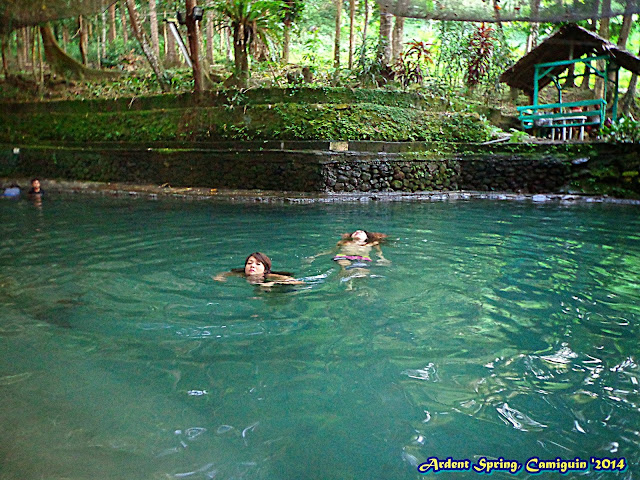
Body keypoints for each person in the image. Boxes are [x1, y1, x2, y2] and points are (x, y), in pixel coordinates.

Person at [308, 230, 390, 270]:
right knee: (345, 269)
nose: (358, 232)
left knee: (362, 273)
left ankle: (359, 290)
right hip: (344, 256)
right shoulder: (343, 242)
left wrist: (382, 259)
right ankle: (348, 287)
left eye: (361, 232)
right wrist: (314, 256)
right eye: (355, 232)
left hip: (362, 258)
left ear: (367, 237)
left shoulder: (372, 243)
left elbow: (379, 252)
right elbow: (331, 251)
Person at [213, 252, 304, 286]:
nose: (252, 266)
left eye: (258, 264)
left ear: (265, 269)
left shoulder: (269, 275)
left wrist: (273, 283)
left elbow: (297, 282)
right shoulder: (241, 274)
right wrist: (219, 277)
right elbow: (225, 274)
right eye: (249, 263)